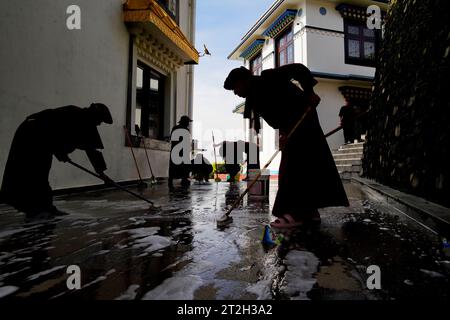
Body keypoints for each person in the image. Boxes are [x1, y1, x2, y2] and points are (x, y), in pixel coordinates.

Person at [224, 64, 349, 228]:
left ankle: (294, 214)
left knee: (291, 168)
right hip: (290, 128)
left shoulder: (268, 77)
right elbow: (279, 116)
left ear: (244, 80)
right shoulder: (253, 98)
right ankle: (310, 212)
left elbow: (300, 69)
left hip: (303, 119)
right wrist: (283, 134)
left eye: (235, 87)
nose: (235, 92)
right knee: (306, 165)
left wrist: (310, 93)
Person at [1, 103, 113, 218]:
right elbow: (51, 131)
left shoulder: (85, 122)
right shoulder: (73, 114)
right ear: (94, 115)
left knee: (42, 173)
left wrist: (102, 174)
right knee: (31, 172)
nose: (99, 124)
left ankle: (46, 207)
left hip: (42, 139)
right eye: (100, 120)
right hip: (30, 133)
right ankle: (33, 209)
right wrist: (60, 153)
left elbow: (91, 150)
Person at [169, 116, 193, 189]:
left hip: (175, 150)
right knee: (184, 167)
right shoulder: (186, 130)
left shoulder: (174, 128)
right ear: (185, 122)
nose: (189, 123)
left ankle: (170, 181)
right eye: (188, 122)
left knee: (173, 166)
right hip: (182, 151)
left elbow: (171, 138)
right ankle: (184, 179)